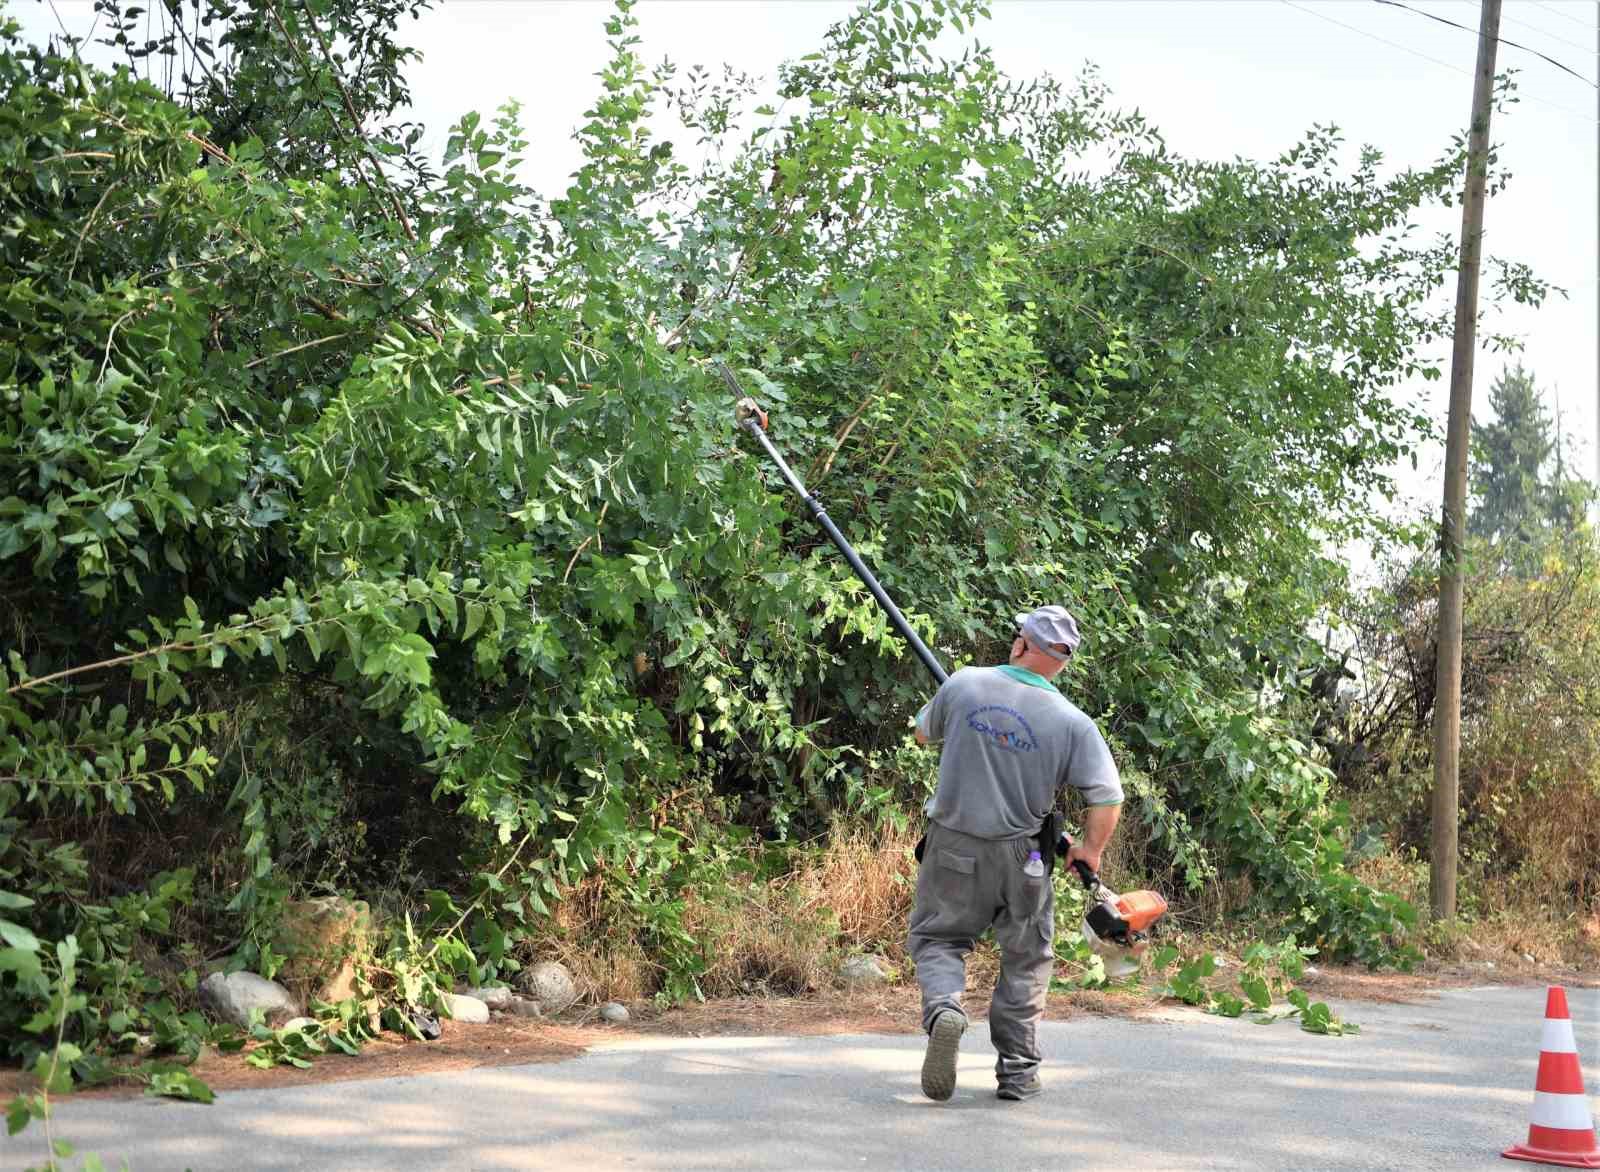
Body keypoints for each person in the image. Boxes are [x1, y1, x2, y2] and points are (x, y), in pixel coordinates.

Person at [908, 605, 1123, 1102]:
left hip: (952, 848)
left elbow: (922, 733)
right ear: (1061, 663)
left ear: (1022, 644)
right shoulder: (1074, 723)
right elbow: (1107, 798)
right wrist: (1089, 850)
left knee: (940, 939)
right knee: (1026, 959)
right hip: (1024, 859)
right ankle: (1019, 1073)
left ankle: (944, 1009)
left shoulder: (963, 685)